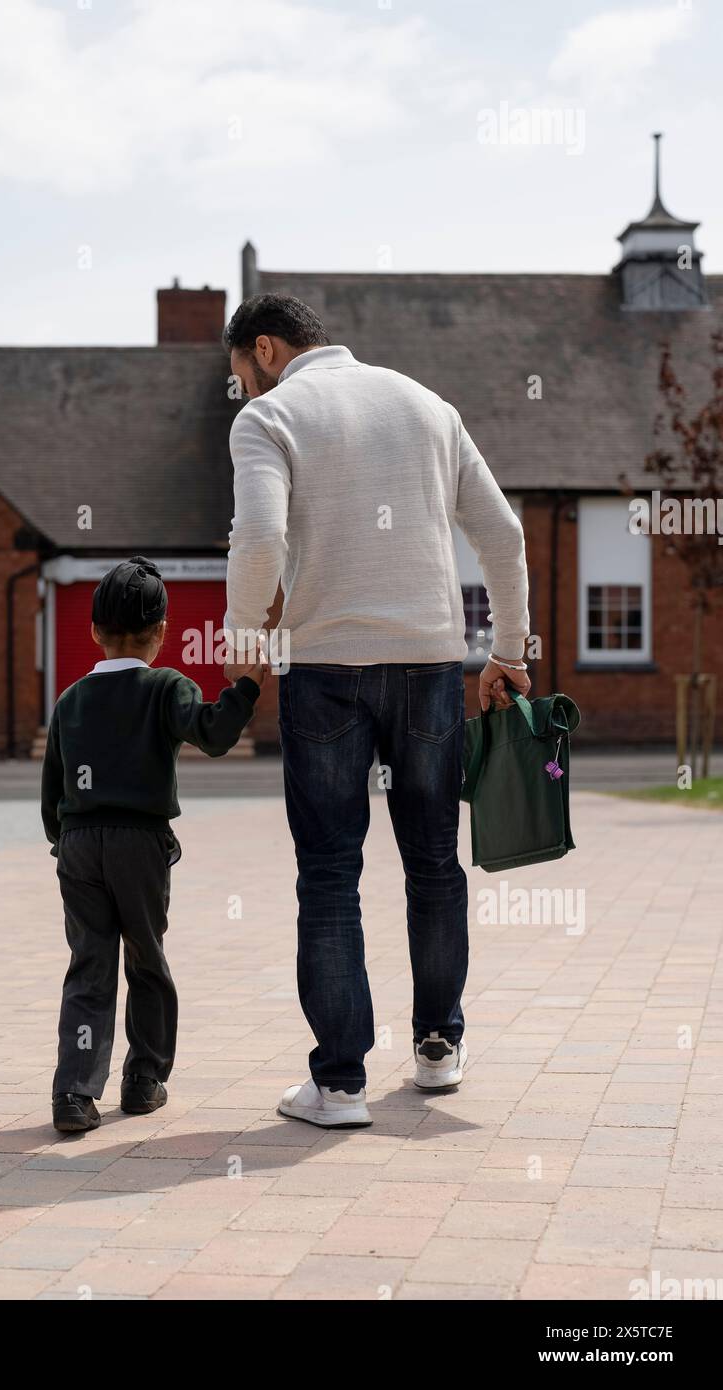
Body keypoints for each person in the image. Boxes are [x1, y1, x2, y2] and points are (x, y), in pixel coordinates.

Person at [222, 295, 531, 1129]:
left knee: (330, 875)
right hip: (430, 664)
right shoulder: (426, 406)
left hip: (325, 669)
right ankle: (437, 1049)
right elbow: (502, 534)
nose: (241, 392)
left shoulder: (271, 417)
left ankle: (341, 1086)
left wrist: (241, 634)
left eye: (238, 377)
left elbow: (256, 541)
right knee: (433, 864)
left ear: (266, 349)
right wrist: (510, 652)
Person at [42, 556, 265, 1133]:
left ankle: (73, 1092)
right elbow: (214, 735)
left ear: (93, 631)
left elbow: (53, 790)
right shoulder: (167, 687)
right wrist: (246, 687)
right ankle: (144, 1080)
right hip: (140, 843)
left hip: (80, 843)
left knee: (89, 965)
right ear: (161, 632)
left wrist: (63, 846)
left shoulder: (70, 700)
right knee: (146, 957)